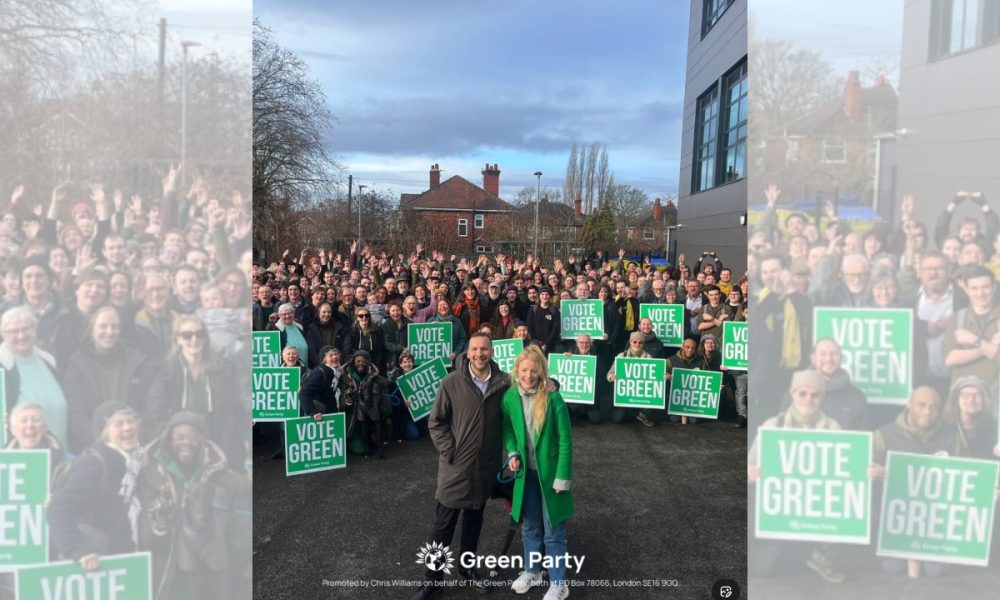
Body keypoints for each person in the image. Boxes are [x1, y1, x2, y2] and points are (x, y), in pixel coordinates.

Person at [410, 333, 509, 598]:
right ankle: (433, 579)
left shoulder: (504, 382)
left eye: (484, 349)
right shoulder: (451, 382)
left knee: (474, 519)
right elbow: (436, 421)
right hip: (456, 467)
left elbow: (531, 384)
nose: (479, 354)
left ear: (492, 351)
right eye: (475, 349)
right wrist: (449, 450)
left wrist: (553, 383)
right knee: (443, 526)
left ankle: (467, 567)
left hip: (486, 467)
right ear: (468, 352)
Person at [137, 411, 248, 600]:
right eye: (179, 437)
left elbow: (242, 485)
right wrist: (163, 514)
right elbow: (145, 534)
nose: (186, 443)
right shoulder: (151, 474)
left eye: (192, 437)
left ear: (202, 441)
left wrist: (253, 461)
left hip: (205, 555)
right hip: (169, 558)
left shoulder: (213, 469)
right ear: (168, 440)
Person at [747, 370, 845, 583]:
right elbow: (750, 461)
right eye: (803, 393)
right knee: (761, 567)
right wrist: (750, 471)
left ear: (822, 397)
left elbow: (842, 471)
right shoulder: (773, 425)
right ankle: (802, 552)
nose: (808, 399)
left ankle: (807, 549)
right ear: (792, 394)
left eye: (815, 395)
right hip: (780, 508)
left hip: (817, 507)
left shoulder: (832, 428)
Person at [502, 345, 574, 600]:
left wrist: (562, 478)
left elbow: (565, 440)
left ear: (541, 371)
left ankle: (558, 583)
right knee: (530, 527)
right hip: (526, 475)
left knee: (553, 530)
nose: (528, 375)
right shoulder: (510, 397)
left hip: (551, 477)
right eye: (524, 370)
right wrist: (512, 453)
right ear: (517, 370)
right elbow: (508, 429)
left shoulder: (553, 398)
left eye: (534, 370)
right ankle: (532, 571)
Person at [48, 402, 141, 570]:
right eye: (118, 424)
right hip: (92, 566)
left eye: (130, 421)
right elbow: (59, 509)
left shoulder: (132, 464)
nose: (127, 428)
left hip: (119, 565)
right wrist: (78, 551)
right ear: (104, 433)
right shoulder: (94, 465)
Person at [63, 306, 158, 451]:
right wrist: (103, 445)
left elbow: (147, 410)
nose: (109, 332)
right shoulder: (76, 366)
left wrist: (135, 443)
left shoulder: (137, 362)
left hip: (133, 446)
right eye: (103, 326)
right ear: (91, 331)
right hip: (95, 449)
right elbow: (77, 416)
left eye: (114, 327)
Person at [1, 305, 68, 449]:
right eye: (14, 331)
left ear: (35, 330)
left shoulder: (49, 360)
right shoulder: (2, 366)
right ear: (3, 335)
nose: (21, 335)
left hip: (57, 453)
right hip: (21, 459)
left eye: (26, 329)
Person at [340, 349, 392, 459]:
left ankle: (378, 444)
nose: (360, 364)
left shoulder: (373, 374)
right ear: (353, 362)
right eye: (357, 361)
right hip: (353, 412)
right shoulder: (345, 376)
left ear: (367, 362)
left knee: (383, 411)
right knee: (360, 447)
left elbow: (385, 383)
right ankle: (360, 444)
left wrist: (391, 376)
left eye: (362, 361)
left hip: (370, 404)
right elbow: (342, 402)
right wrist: (348, 398)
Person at [4, 402, 71, 473]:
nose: (29, 425)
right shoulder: (2, 461)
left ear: (44, 428)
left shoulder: (67, 462)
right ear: (13, 430)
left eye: (36, 420)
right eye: (23, 421)